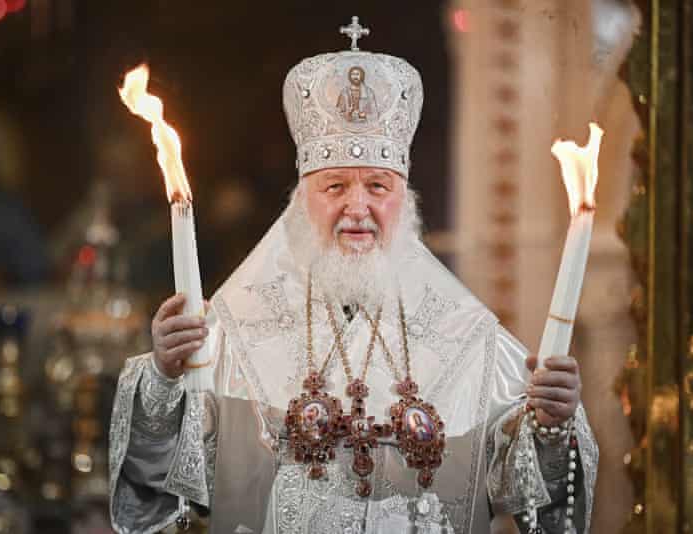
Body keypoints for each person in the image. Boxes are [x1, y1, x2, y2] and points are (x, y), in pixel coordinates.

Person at [109, 17, 597, 534]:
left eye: (378, 187)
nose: (357, 208)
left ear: (405, 203)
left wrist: (551, 425)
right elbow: (165, 498)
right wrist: (164, 377)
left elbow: (538, 506)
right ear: (301, 204)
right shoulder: (236, 326)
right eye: (335, 186)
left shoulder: (465, 333)